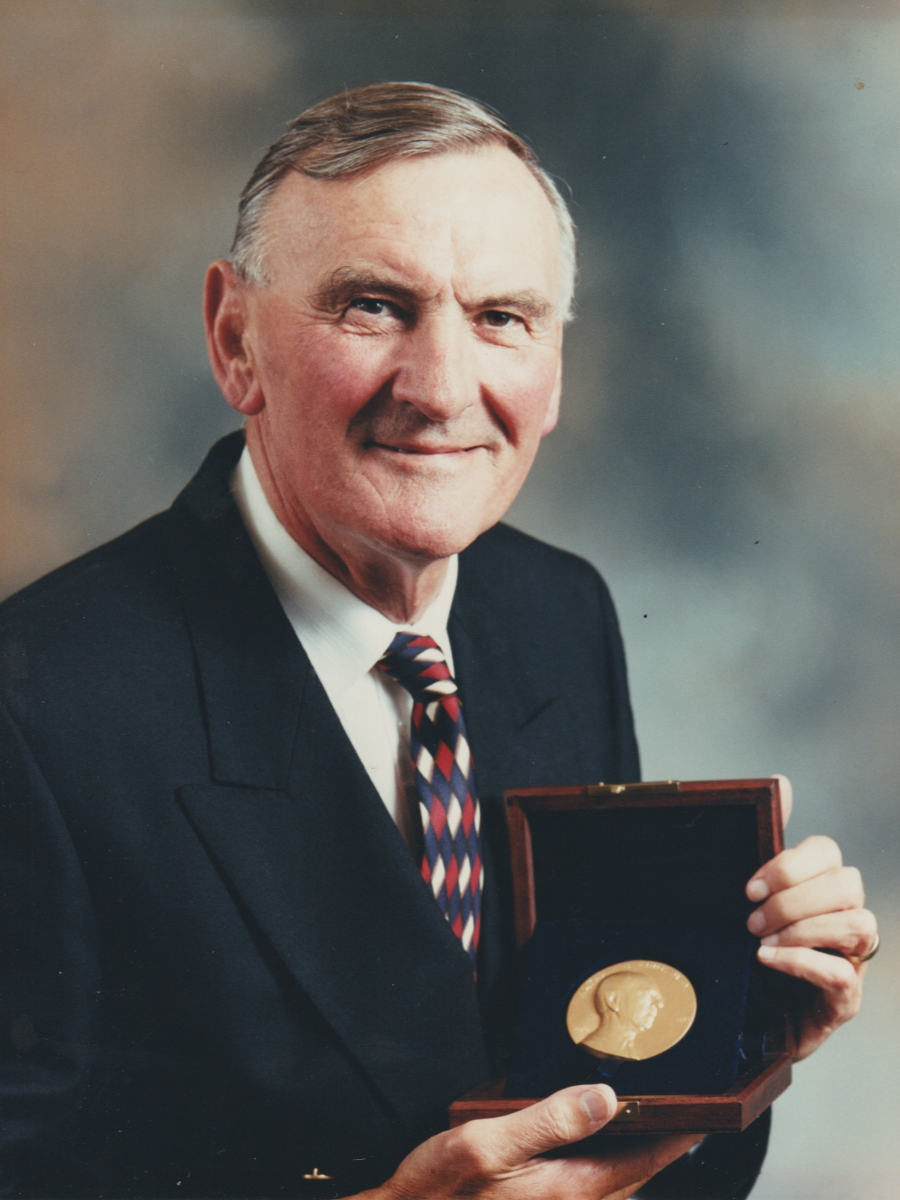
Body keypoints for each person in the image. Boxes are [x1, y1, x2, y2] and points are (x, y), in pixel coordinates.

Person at [0, 82, 876, 1200]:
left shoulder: (557, 614)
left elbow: (595, 1109)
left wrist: (743, 1038)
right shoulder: (40, 709)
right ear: (236, 342)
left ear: (554, 370)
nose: (442, 387)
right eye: (373, 306)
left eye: (502, 317)